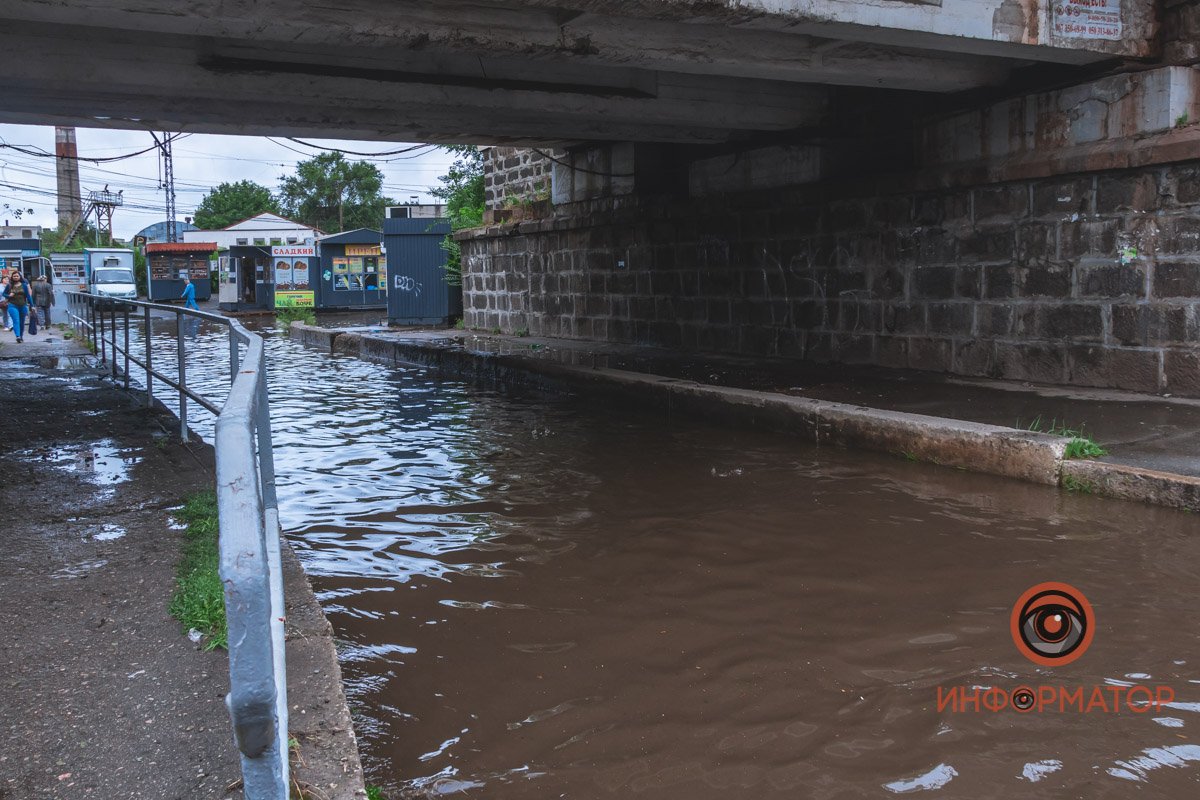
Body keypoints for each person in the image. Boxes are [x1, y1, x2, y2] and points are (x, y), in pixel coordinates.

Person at [2, 269, 33, 342]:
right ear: (12, 277)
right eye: (14, 276)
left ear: (20, 277)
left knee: (22, 322)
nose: (16, 277)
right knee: (16, 321)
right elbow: (4, 294)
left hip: (23, 306)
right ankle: (18, 336)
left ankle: (21, 336)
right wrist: (9, 295)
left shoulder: (24, 285)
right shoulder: (9, 285)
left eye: (17, 276)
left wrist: (32, 305)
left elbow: (28, 296)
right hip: (12, 305)